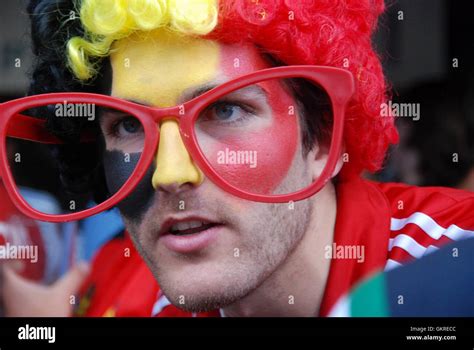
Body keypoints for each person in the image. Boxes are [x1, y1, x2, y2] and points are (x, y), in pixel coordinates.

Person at [1, 0, 473, 317]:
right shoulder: (124, 286)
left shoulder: (450, 268)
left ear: (323, 140)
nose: (170, 174)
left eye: (224, 110)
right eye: (128, 125)